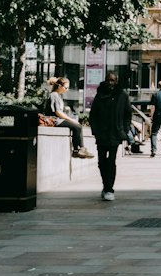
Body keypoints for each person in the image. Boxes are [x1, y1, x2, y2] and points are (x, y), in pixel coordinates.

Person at [88, 71, 132, 202]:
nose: (110, 83)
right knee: (102, 161)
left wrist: (124, 129)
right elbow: (93, 115)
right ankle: (105, 185)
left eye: (112, 80)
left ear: (116, 81)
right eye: (108, 80)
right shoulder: (100, 95)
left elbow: (127, 114)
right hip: (101, 134)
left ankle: (109, 189)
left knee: (111, 161)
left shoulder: (122, 96)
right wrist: (95, 130)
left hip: (115, 133)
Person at [46, 76, 93, 158]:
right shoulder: (54, 95)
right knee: (77, 126)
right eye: (66, 88)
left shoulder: (58, 96)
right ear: (60, 86)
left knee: (77, 126)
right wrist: (70, 119)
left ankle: (77, 150)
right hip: (55, 120)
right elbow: (57, 112)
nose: (66, 90)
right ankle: (80, 149)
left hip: (57, 119)